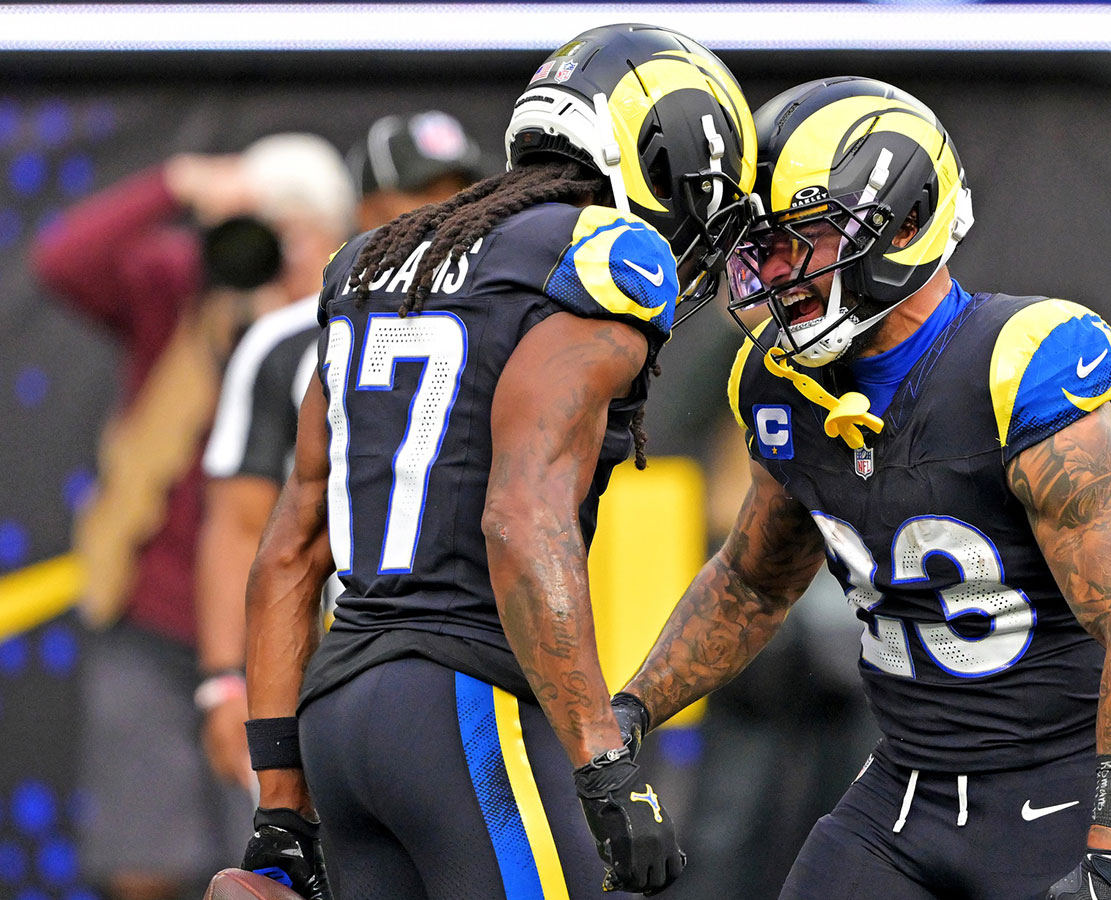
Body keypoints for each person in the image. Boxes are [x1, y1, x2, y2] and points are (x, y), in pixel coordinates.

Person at [615, 76, 1111, 900]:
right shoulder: (782, 386)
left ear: (907, 221)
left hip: (1054, 802)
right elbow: (750, 583)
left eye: (797, 240)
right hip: (899, 795)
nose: (771, 273)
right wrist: (631, 712)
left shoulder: (1015, 368)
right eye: (758, 247)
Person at [236, 24, 757, 900]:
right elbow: (522, 517)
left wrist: (280, 800)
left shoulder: (371, 261)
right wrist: (605, 765)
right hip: (463, 708)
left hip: (339, 711)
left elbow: (290, 548)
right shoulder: (598, 258)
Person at [30, 133, 353, 900]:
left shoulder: (353, 332)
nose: (279, 251)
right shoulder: (180, 293)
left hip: (296, 639)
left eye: (301, 232)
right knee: (146, 862)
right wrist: (180, 185)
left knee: (277, 865)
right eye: (268, 231)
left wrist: (314, 292)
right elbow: (61, 263)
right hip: (155, 627)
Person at [194, 110, 489, 791]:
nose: (445, 212)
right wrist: (225, 683)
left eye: (460, 190)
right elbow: (245, 526)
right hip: (337, 656)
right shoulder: (292, 338)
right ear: (366, 209)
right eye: (423, 192)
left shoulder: (512, 319)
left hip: (473, 659)